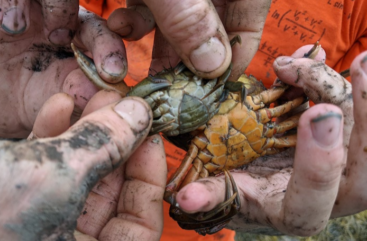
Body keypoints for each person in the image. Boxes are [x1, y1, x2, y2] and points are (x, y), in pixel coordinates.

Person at [0, 0, 366, 240]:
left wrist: (342, 156)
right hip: (66, 187)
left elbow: (335, 99)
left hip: (209, 185)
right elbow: (81, 27)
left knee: (193, 201)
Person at [82, 0, 367, 239]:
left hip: (220, 182)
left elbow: (338, 105)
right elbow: (72, 22)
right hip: (99, 162)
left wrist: (341, 157)